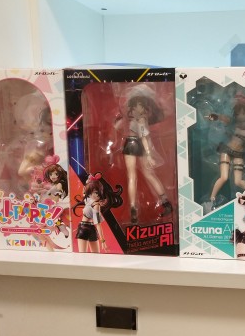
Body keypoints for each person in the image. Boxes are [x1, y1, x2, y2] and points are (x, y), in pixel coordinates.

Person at [115, 86, 173, 223]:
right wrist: (148, 153)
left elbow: (141, 136)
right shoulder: (139, 120)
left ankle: (135, 207)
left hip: (130, 143)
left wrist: (149, 154)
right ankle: (162, 202)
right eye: (137, 106)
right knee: (143, 175)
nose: (138, 108)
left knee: (135, 176)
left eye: (140, 106)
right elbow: (143, 138)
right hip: (136, 144)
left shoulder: (136, 120)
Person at [206, 93, 245, 210]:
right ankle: (211, 199)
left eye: (243, 113)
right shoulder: (233, 123)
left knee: (238, 181)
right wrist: (214, 116)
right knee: (224, 177)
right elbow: (223, 118)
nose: (240, 115)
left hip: (239, 154)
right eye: (238, 113)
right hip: (227, 150)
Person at [73, 172, 123, 253]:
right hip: (85, 228)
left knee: (93, 255)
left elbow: (98, 224)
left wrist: (103, 241)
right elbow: (85, 191)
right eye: (96, 193)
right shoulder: (88, 199)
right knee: (83, 255)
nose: (98, 196)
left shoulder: (94, 204)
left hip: (87, 227)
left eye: (99, 193)